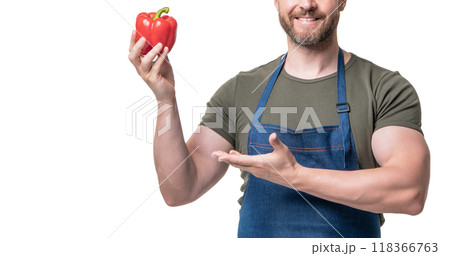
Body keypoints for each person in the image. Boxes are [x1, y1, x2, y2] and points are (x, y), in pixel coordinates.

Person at [128, 0, 430, 238]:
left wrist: (296, 176)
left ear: (343, 0)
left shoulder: (382, 87)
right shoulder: (240, 90)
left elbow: (410, 190)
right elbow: (179, 190)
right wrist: (165, 99)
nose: (307, 4)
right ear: (276, 1)